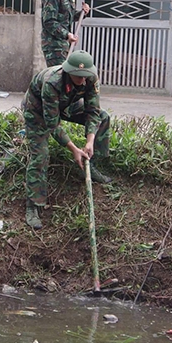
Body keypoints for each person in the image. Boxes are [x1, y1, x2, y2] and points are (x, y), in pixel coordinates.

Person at [22, 50, 112, 230]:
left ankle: (93, 165)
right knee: (41, 155)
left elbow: (93, 111)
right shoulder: (52, 82)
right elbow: (52, 124)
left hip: (67, 104)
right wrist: (73, 149)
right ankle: (34, 206)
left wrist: (89, 142)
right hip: (38, 110)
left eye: (85, 76)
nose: (83, 80)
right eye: (78, 77)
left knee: (103, 117)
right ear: (68, 72)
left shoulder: (90, 78)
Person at [41, 0, 91, 67]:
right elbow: (49, 22)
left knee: (66, 75)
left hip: (65, 44)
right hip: (54, 45)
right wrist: (67, 34)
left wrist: (83, 13)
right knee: (59, 76)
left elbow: (68, 17)